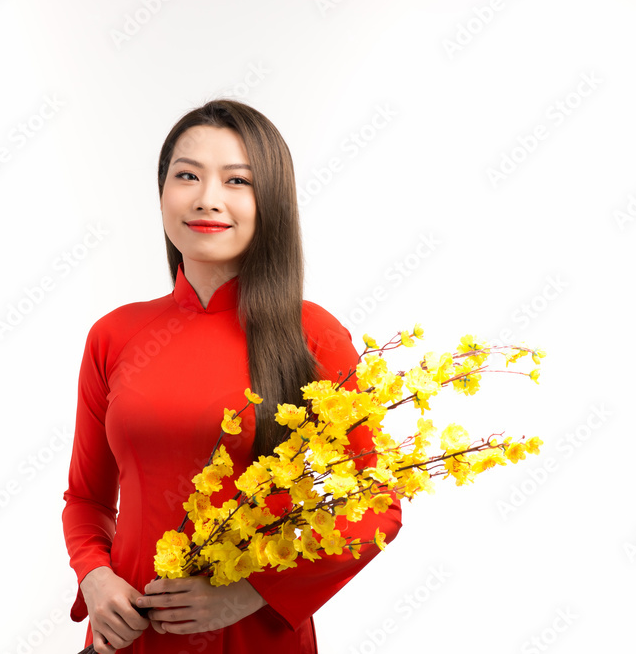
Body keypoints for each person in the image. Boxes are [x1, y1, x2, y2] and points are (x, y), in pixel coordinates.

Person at [62, 99, 402, 653]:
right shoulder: (114, 335)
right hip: (131, 635)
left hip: (256, 637)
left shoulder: (312, 334)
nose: (207, 199)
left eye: (236, 180)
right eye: (187, 175)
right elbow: (87, 499)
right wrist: (94, 578)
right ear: (163, 192)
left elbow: (377, 505)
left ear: (270, 200)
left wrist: (253, 592)